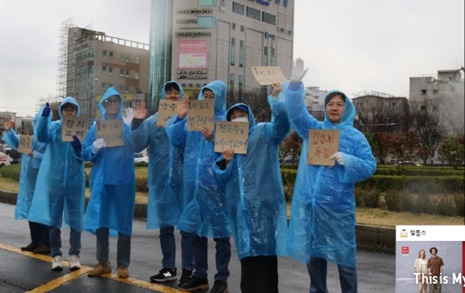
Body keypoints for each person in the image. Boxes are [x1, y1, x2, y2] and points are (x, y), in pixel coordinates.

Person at [284, 58, 377, 293]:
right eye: (330, 103)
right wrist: (294, 86)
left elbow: (369, 166)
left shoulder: (355, 137)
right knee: (315, 259)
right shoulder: (315, 130)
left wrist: (350, 161)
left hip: (339, 209)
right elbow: (296, 114)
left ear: (347, 108)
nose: (334, 107)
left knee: (345, 261)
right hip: (313, 208)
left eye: (339, 104)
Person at [212, 82, 290, 293]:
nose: (238, 119)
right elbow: (222, 177)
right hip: (242, 214)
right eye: (233, 116)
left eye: (241, 114)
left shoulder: (263, 132)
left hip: (264, 209)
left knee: (265, 263)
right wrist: (226, 162)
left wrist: (275, 97)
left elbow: (282, 125)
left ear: (250, 116)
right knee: (247, 263)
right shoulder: (230, 144)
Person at [166, 80, 231, 293]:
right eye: (206, 96)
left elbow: (230, 152)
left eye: (212, 96)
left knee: (221, 233)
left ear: (220, 98)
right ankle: (200, 275)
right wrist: (181, 116)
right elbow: (176, 141)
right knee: (196, 231)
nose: (208, 100)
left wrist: (213, 138)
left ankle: (221, 278)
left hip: (218, 185)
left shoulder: (226, 122)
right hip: (194, 185)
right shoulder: (194, 119)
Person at [131, 81, 195, 286]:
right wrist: (137, 123)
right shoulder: (152, 121)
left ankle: (189, 269)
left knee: (188, 227)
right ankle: (169, 269)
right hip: (162, 181)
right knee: (165, 228)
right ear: (163, 96)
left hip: (185, 180)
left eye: (177, 92)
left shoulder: (191, 119)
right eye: (169, 92)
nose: (173, 95)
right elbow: (138, 144)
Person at [81, 87, 136, 279]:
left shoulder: (126, 125)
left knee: (123, 223)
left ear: (120, 103)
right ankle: (103, 262)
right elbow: (84, 152)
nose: (112, 104)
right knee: (101, 223)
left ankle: (123, 265)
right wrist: (94, 149)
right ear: (103, 104)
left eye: (115, 101)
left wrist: (129, 128)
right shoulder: (96, 128)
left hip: (123, 181)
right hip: (102, 182)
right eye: (108, 101)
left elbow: (135, 146)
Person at [27, 98, 86, 271]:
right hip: (55, 180)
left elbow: (85, 153)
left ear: (76, 111)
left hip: (75, 180)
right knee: (54, 220)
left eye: (72, 109)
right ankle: (56, 255)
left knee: (76, 220)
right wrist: (45, 118)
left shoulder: (81, 128)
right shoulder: (54, 127)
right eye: (66, 109)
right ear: (61, 111)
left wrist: (77, 147)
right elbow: (42, 136)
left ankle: (74, 255)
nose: (69, 112)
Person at [2, 113, 49, 254]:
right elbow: (16, 142)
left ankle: (46, 242)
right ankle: (36, 241)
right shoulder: (30, 138)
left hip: (41, 181)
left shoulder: (48, 139)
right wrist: (9, 130)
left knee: (41, 212)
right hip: (29, 182)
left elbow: (51, 157)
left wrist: (35, 154)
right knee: (31, 212)